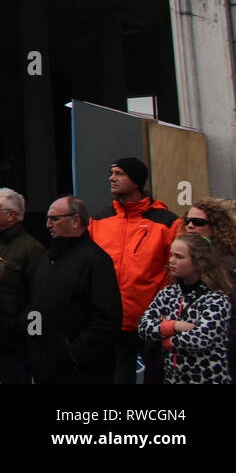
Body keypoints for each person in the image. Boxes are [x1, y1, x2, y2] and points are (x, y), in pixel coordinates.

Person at [88, 157, 181, 383]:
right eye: (111, 173)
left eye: (119, 173)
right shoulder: (99, 219)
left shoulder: (167, 222)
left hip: (153, 322)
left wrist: (166, 313)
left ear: (136, 180)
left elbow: (177, 272)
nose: (112, 178)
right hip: (112, 322)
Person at [25, 195, 121, 384]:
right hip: (46, 367)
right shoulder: (47, 259)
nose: (48, 225)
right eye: (47, 219)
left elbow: (106, 318)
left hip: (81, 371)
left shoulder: (96, 260)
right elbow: (35, 305)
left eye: (54, 219)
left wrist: (72, 355)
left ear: (76, 220)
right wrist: (33, 346)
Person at [137, 234, 233, 384]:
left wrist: (165, 339)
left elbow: (201, 338)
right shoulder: (168, 293)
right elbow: (144, 326)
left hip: (207, 378)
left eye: (179, 257)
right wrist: (175, 326)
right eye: (171, 255)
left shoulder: (216, 299)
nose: (171, 261)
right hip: (173, 378)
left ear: (198, 263)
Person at [0, 187, 45, 383]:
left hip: (15, 344)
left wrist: (23, 331)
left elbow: (39, 299)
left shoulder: (32, 249)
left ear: (11, 215)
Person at [183, 198, 236, 375]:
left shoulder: (228, 265)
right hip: (187, 348)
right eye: (188, 221)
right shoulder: (181, 262)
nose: (190, 226)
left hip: (222, 350)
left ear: (216, 227)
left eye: (198, 222)